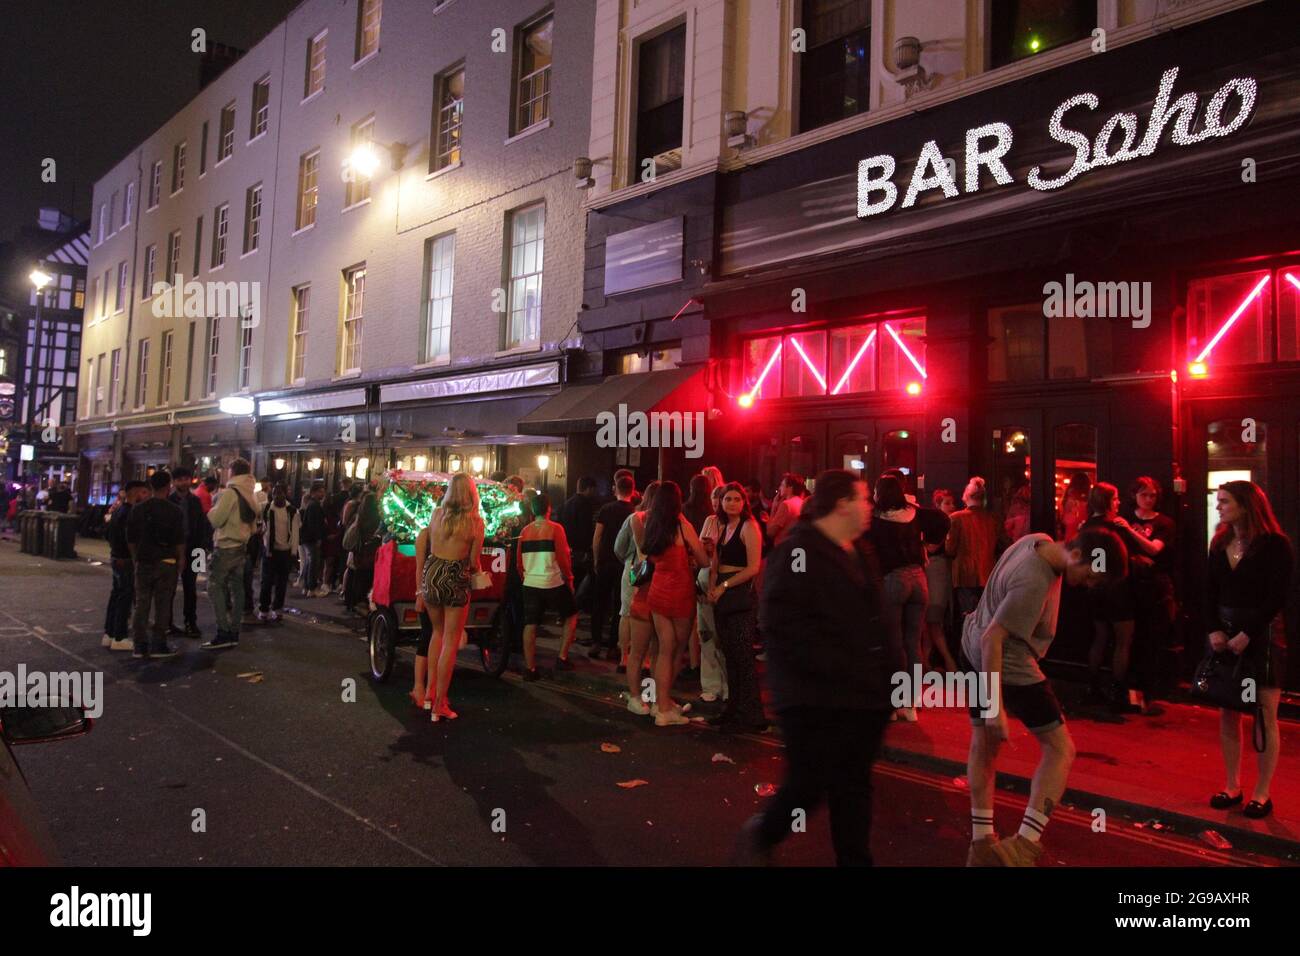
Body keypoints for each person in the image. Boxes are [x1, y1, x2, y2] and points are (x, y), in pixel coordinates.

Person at [734, 470, 894, 866]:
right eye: (862, 498)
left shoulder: (860, 551)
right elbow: (783, 627)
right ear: (841, 504)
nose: (869, 506)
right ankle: (763, 834)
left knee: (853, 788)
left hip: (862, 698)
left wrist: (891, 678)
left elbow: (879, 620)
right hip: (813, 699)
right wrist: (831, 672)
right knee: (808, 786)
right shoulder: (798, 552)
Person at [962, 525, 1127, 867]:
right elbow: (995, 639)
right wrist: (995, 706)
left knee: (984, 746)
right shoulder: (1034, 580)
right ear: (1078, 555)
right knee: (1060, 749)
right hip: (1007, 662)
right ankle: (1023, 847)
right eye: (1092, 576)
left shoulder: (1036, 541)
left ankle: (981, 846)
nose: (1089, 585)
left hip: (972, 645)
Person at [1205, 481, 1292, 820]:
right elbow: (1208, 590)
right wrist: (1212, 627)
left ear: (1245, 504)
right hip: (1224, 633)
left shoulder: (1275, 545)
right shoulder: (1220, 541)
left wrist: (1249, 633)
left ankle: (1262, 792)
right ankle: (1232, 786)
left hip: (1264, 633)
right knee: (1228, 709)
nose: (1218, 508)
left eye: (1224, 501)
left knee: (1264, 714)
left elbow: (1277, 596)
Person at [869, 473, 951, 721]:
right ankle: (911, 703)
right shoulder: (915, 514)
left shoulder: (876, 519)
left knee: (893, 642)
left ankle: (894, 703)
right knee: (913, 642)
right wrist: (929, 545)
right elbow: (943, 520)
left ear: (880, 493)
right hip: (919, 579)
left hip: (893, 580)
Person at [641, 480, 710, 727]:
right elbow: (703, 560)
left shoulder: (652, 524)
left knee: (662, 651)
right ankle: (664, 708)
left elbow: (648, 555)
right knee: (675, 652)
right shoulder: (682, 525)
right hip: (680, 592)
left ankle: (662, 705)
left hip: (658, 591)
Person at [1082, 482, 1152, 713]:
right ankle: (1118, 690)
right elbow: (1132, 557)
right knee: (1123, 641)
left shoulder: (1085, 528)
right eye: (1116, 498)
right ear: (1108, 502)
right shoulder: (1116, 528)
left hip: (1094, 590)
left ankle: (1092, 687)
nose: (1119, 502)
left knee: (1099, 637)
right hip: (1117, 591)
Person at [421, 473, 485, 721]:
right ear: (471, 493)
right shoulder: (475, 522)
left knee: (436, 634)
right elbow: (473, 562)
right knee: (451, 639)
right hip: (455, 575)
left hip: (432, 571)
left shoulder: (436, 514)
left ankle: (429, 693)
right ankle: (440, 705)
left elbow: (429, 543)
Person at [704, 482, 765, 733]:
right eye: (727, 499)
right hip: (721, 592)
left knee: (743, 656)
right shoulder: (721, 525)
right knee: (729, 654)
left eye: (736, 499)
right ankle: (733, 709)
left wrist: (724, 585)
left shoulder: (749, 527)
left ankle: (752, 715)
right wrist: (712, 585)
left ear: (744, 502)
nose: (731, 503)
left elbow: (753, 567)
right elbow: (715, 561)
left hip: (740, 594)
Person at [1124, 476, 1177, 701]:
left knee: (1152, 637)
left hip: (1155, 586)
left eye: (1152, 495)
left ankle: (1151, 691)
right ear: (1135, 495)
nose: (1148, 499)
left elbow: (1155, 549)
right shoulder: (1124, 518)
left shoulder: (1164, 523)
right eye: (1144, 494)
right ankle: (1130, 689)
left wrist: (1129, 531)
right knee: (1129, 637)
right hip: (1129, 584)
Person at [518, 493, 580, 678]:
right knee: (571, 615)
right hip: (552, 581)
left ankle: (530, 668)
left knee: (530, 623)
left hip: (530, 582)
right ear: (549, 509)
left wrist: (525, 578)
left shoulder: (525, 532)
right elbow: (563, 558)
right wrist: (569, 579)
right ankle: (562, 657)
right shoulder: (555, 529)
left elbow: (518, 563)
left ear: (532, 509)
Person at [126, 470, 186, 660]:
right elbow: (179, 539)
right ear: (168, 486)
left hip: (144, 561)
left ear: (150, 487)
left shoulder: (138, 509)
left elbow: (131, 538)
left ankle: (139, 644)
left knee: (142, 603)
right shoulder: (175, 511)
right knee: (163, 604)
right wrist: (181, 559)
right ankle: (159, 644)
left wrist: (136, 557)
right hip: (166, 561)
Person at [204, 458, 259, 649]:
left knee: (214, 586)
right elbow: (254, 527)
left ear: (232, 472)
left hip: (226, 546)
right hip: (242, 547)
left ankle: (223, 631)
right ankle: (234, 631)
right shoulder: (251, 493)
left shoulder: (230, 493)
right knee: (238, 589)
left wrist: (212, 509)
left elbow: (216, 520)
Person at [621, 482, 661, 712]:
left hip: (641, 579)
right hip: (657, 583)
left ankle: (640, 698)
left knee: (639, 649)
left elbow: (630, 548)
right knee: (654, 650)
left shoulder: (638, 518)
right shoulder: (664, 522)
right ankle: (650, 698)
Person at [590, 473, 637, 660]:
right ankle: (613, 646)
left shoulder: (606, 509)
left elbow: (597, 537)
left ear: (615, 488)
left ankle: (595, 642)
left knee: (599, 603)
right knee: (621, 605)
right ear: (632, 491)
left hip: (605, 561)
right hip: (626, 564)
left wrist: (596, 559)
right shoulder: (635, 511)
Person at [946, 476, 1003, 618]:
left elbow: (950, 550)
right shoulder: (993, 519)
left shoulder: (956, 518)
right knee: (986, 618)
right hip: (988, 574)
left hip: (964, 576)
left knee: (968, 619)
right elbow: (1002, 545)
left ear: (965, 496)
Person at [103, 480, 149, 652]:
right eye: (144, 492)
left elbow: (108, 534)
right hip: (126, 560)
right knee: (125, 597)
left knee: (116, 595)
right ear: (136, 493)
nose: (146, 496)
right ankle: (120, 636)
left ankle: (109, 633)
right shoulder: (131, 512)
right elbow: (131, 539)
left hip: (116, 558)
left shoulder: (118, 510)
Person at [694, 484, 729, 704]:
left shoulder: (740, 525)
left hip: (725, 582)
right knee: (706, 634)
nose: (717, 504)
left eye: (721, 500)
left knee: (723, 636)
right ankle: (710, 684)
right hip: (705, 579)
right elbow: (699, 553)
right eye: (714, 500)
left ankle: (727, 684)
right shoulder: (709, 521)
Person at [168, 467, 210, 640]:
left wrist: (202, 550)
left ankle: (191, 622)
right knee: (168, 587)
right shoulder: (169, 500)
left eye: (186, 479)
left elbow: (201, 525)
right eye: (180, 479)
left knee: (191, 587)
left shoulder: (195, 500)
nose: (183, 482)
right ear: (174, 482)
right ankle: (167, 623)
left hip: (194, 549)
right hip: (172, 550)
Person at [923, 488, 959, 672]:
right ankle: (927, 661)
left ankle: (946, 660)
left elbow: (931, 548)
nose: (952, 506)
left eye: (952, 503)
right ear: (937, 505)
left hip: (938, 572)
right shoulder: (942, 523)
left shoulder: (949, 523)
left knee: (933, 618)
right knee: (932, 619)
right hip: (938, 573)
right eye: (947, 503)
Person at [258, 483, 299, 621]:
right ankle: (264, 609)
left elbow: (295, 532)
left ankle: (278, 608)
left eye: (280, 493)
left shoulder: (292, 511)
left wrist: (294, 552)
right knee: (266, 581)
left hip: (285, 551)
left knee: (281, 583)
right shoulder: (266, 508)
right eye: (275, 493)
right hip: (270, 550)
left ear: (285, 494)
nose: (278, 496)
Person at [558, 476, 600, 603]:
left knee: (571, 580)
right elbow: (585, 529)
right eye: (593, 490)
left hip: (568, 548)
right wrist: (589, 548)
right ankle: (577, 606)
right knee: (586, 579)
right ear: (589, 489)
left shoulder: (567, 503)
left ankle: (567, 609)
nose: (594, 493)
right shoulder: (585, 505)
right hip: (581, 550)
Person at [299, 481, 327, 597]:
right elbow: (313, 524)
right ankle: (312, 587)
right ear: (314, 492)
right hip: (311, 539)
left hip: (307, 538)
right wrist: (318, 538)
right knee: (313, 563)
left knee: (309, 562)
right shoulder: (314, 505)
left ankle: (306, 587)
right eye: (320, 492)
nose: (323, 494)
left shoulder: (311, 504)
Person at [765, 473, 808, 547]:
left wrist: (773, 508)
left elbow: (770, 533)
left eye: (782, 485)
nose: (779, 488)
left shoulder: (786, 504)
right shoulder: (802, 502)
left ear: (790, 487)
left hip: (783, 551)